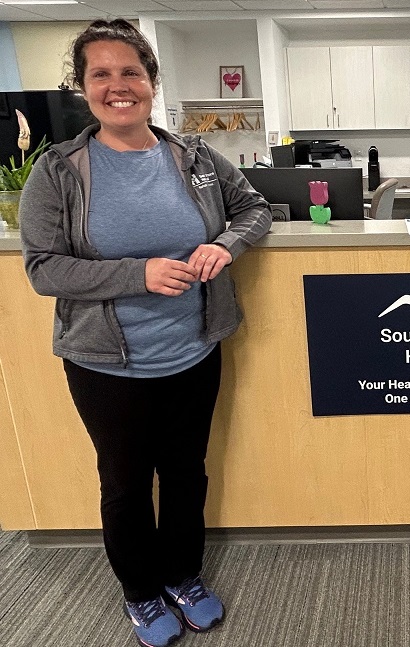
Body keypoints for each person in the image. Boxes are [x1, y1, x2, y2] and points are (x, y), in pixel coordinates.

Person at [19, 19, 271, 647]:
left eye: (130, 71)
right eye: (100, 74)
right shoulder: (58, 171)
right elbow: (43, 268)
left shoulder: (194, 157)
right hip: (106, 362)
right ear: (83, 88)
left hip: (194, 348)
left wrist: (225, 246)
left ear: (152, 82)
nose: (117, 85)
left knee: (187, 471)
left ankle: (183, 575)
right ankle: (139, 589)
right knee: (126, 483)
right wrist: (139, 273)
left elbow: (255, 208)